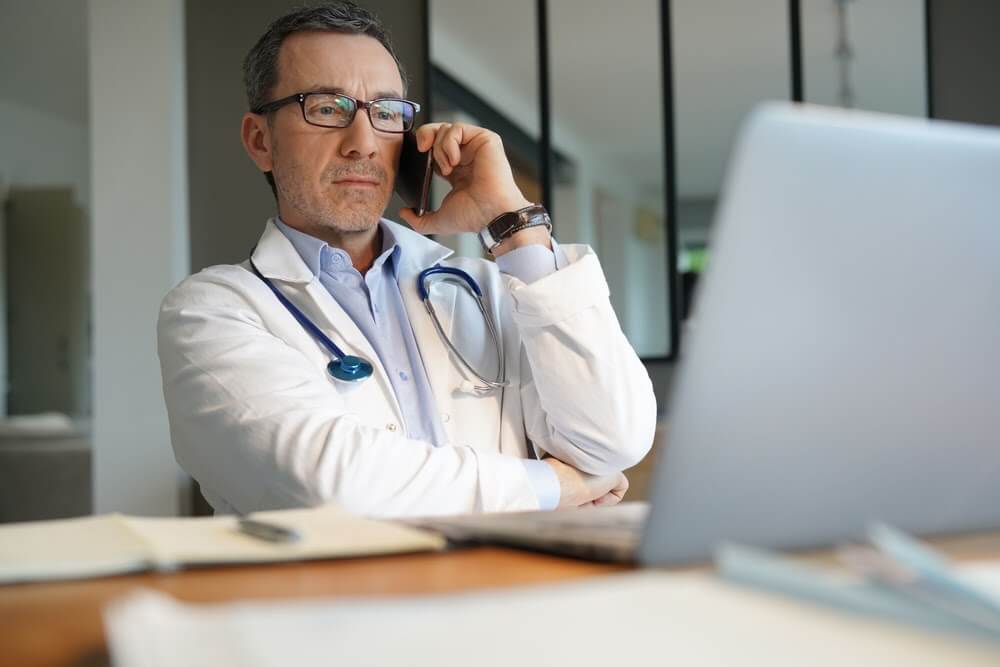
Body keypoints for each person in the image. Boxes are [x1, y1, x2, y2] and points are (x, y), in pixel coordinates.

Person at [157, 2, 656, 517]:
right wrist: (553, 485)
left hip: (508, 593)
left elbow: (614, 438)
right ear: (260, 141)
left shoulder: (489, 288)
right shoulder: (211, 312)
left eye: (386, 112)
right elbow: (333, 485)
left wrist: (512, 222)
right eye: (328, 108)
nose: (364, 143)